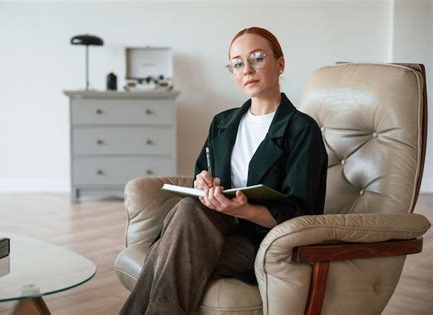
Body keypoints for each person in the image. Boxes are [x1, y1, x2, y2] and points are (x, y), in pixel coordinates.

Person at [120, 26, 328, 315]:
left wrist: (240, 210)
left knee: (165, 253)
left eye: (257, 58)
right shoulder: (223, 122)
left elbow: (300, 212)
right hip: (211, 229)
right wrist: (203, 182)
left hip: (264, 242)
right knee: (189, 211)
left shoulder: (302, 129)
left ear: (280, 64)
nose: (247, 69)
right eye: (238, 63)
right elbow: (202, 176)